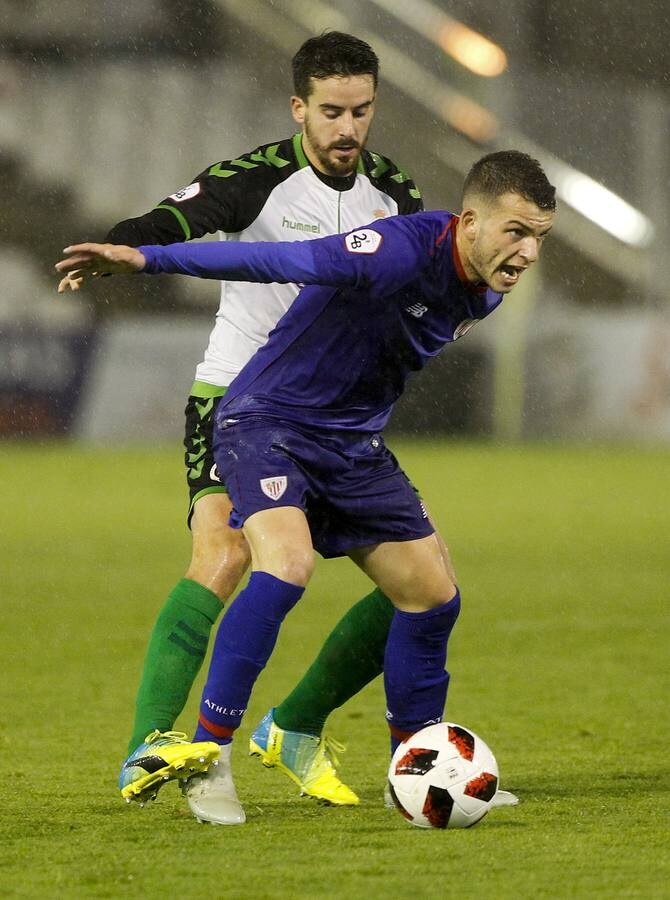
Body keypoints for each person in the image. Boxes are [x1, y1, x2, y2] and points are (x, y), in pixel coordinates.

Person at [57, 149, 557, 826]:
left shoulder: (489, 288)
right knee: (283, 566)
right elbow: (276, 262)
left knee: (433, 595)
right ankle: (209, 758)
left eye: (539, 238)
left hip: (352, 446)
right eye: (516, 232)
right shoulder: (395, 251)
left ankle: (416, 767)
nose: (527, 252)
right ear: (470, 221)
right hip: (268, 420)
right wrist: (148, 259)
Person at [59, 32, 427, 811]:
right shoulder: (255, 179)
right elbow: (175, 219)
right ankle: (150, 747)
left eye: (360, 111)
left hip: (334, 416)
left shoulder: (396, 191)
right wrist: (124, 248)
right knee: (226, 554)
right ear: (300, 108)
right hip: (240, 398)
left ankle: (295, 725)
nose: (347, 128)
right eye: (331, 111)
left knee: (417, 588)